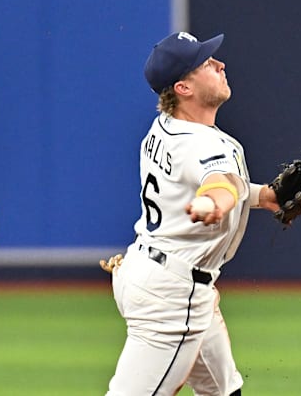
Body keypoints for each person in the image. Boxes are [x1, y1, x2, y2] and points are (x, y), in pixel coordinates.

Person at [104, 32, 280, 396]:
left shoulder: (165, 128)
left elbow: (214, 182)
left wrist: (265, 196)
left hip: (154, 269)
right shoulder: (200, 143)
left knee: (222, 390)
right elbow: (217, 184)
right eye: (206, 63)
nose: (220, 64)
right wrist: (214, 203)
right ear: (183, 87)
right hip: (172, 294)